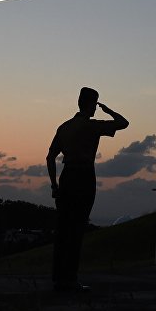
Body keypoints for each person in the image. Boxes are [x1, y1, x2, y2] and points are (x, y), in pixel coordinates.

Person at [46, 87, 129, 292]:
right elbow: (123, 123)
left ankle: (59, 277)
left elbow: (50, 157)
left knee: (63, 228)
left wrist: (54, 184)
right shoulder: (91, 126)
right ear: (92, 104)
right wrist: (108, 110)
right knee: (76, 229)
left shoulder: (64, 127)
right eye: (95, 103)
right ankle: (70, 279)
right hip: (83, 176)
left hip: (66, 177)